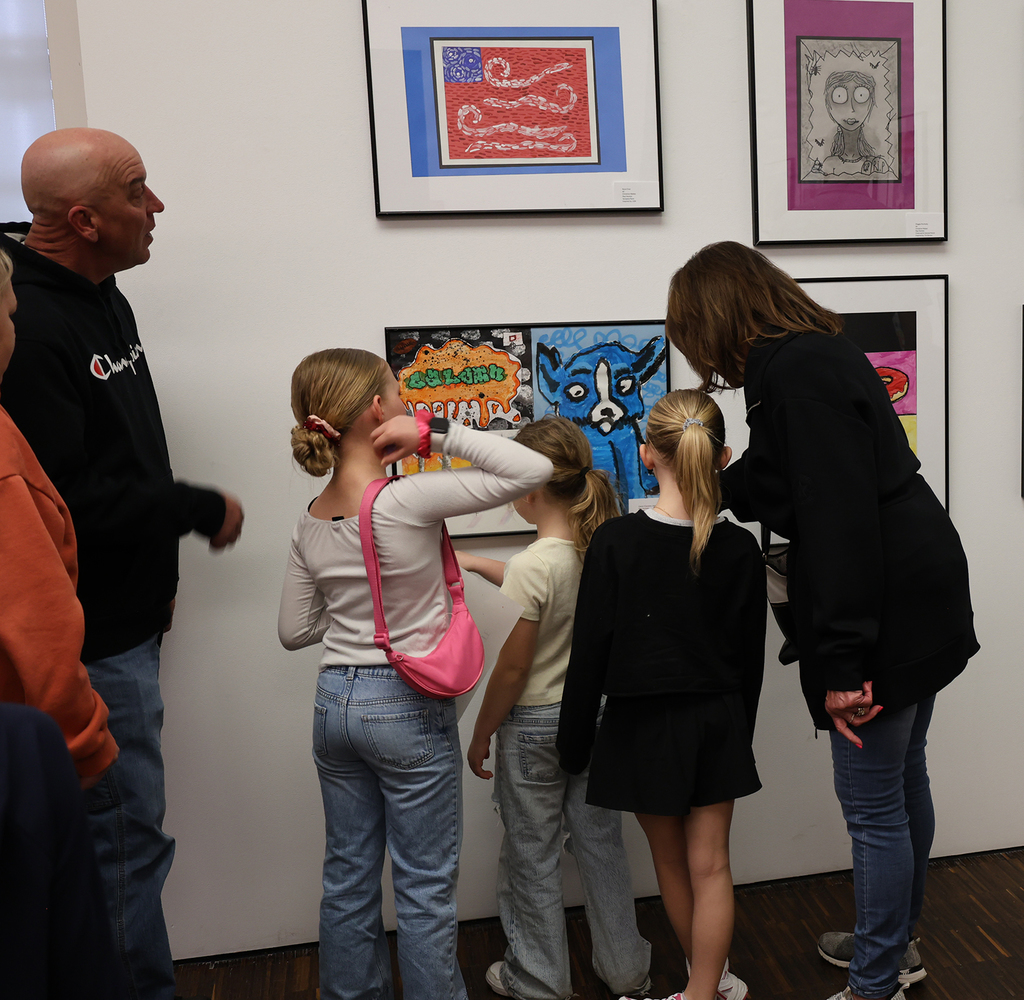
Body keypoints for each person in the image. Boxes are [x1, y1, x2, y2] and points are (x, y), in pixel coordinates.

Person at [665, 241, 979, 1000]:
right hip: (917, 577)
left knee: (874, 804)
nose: (706, 365)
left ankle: (874, 983)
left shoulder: (794, 373)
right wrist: (723, 481)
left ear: (716, 318)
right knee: (903, 779)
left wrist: (842, 666)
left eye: (697, 342)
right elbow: (796, 473)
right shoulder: (812, 352)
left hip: (887, 597)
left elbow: (835, 521)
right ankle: (892, 946)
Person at [0, 128, 245, 1000]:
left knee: (133, 839)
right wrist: (199, 508)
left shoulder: (104, 292)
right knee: (120, 849)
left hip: (134, 621)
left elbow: (122, 450)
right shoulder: (26, 332)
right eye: (139, 190)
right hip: (91, 644)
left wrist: (164, 577)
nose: (157, 206)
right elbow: (72, 499)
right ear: (85, 218)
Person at [278, 348, 552, 1000]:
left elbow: (293, 630)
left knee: (347, 876)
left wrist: (356, 617)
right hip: (402, 707)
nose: (405, 404)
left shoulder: (310, 519)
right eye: (399, 394)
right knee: (424, 886)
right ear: (377, 410)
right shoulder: (406, 498)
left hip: (333, 706)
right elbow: (536, 468)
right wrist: (437, 433)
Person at [557, 390, 766, 1000]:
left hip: (641, 726)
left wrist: (573, 746)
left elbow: (588, 657)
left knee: (673, 866)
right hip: (717, 724)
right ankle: (706, 988)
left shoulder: (615, 543)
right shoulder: (740, 548)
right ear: (724, 456)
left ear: (648, 455)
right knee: (713, 867)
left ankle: (704, 986)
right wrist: (737, 737)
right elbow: (748, 664)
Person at [457, 415, 652, 1000]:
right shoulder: (598, 550)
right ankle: (627, 973)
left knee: (532, 857)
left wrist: (482, 732)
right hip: (594, 719)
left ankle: (539, 981)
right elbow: (542, 587)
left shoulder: (533, 565)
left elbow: (513, 669)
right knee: (601, 847)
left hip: (534, 730)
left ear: (530, 490)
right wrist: (481, 566)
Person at [0, 246, 117, 787]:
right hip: (24, 747)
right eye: (9, 314)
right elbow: (38, 625)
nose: (15, 332)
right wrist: (83, 747)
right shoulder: (3, 460)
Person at [820, 71, 891, 178]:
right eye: (839, 96)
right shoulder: (828, 165)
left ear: (871, 102)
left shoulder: (876, 165)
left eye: (861, 96)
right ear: (828, 103)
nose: (851, 109)